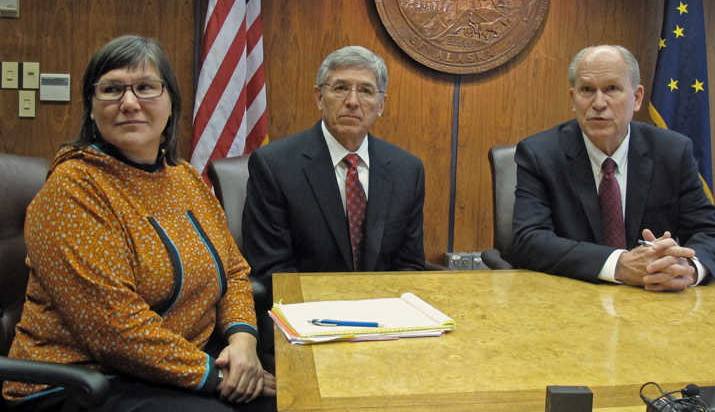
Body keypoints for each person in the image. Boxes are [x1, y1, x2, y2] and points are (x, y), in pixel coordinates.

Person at [2, 36, 275, 412]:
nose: (129, 103)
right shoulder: (72, 190)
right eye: (112, 89)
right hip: (82, 380)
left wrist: (243, 341)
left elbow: (234, 272)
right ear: (92, 110)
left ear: (170, 103)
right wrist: (217, 376)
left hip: (178, 367)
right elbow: (114, 331)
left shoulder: (186, 179)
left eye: (145, 87)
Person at [511, 44, 715, 291]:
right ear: (573, 99)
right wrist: (618, 264)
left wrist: (687, 269)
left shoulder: (672, 152)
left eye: (611, 89)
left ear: (637, 98)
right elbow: (528, 240)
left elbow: (713, 236)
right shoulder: (540, 154)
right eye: (587, 90)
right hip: (571, 299)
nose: (598, 103)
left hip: (654, 306)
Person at [242, 45, 425, 321]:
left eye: (365, 90)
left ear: (381, 105)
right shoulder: (274, 165)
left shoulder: (406, 170)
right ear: (319, 97)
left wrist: (383, 319)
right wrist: (343, 317)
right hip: (305, 318)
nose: (353, 101)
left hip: (385, 320)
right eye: (340, 88)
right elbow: (273, 270)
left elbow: (409, 265)